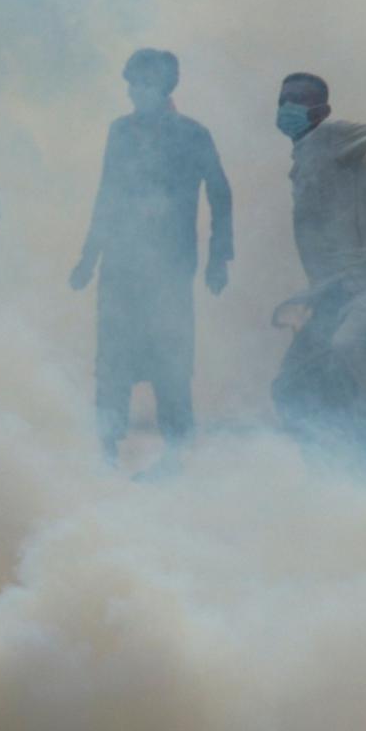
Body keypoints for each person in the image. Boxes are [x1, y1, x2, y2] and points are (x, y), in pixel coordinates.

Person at [71, 49, 233, 474]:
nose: (133, 91)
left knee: (171, 359)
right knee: (112, 360)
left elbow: (221, 194)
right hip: (121, 265)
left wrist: (220, 257)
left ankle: (177, 451)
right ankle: (106, 450)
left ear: (163, 87)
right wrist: (88, 258)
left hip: (170, 267)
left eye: (142, 83)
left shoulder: (193, 134)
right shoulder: (120, 132)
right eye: (130, 83)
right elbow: (106, 197)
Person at [270, 72, 366, 482]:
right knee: (290, 385)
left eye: (296, 100)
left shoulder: (333, 134)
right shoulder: (301, 157)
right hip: (335, 293)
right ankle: (325, 465)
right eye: (282, 99)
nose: (286, 108)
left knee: (346, 353)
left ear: (321, 110)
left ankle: (357, 464)